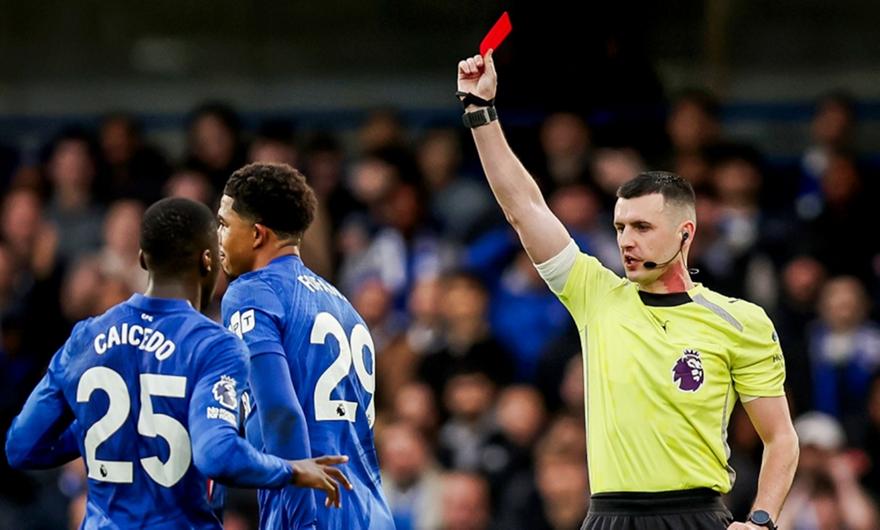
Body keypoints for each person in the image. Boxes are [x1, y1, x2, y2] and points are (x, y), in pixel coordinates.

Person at [456, 51, 799, 530]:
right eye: (620, 227)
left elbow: (780, 438)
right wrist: (481, 113)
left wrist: (761, 519)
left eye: (641, 227)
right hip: (609, 517)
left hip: (697, 516)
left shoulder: (741, 321)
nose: (626, 241)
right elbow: (524, 207)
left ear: (684, 233)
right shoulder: (595, 295)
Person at [5, 197, 351, 529]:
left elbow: (22, 446)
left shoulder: (85, 338)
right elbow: (217, 454)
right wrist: (291, 470)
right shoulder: (214, 346)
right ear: (208, 260)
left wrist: (108, 429)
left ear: (142, 259)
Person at [217, 163, 394, 529]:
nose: (217, 236)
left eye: (224, 224)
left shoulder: (251, 292)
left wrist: (300, 520)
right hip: (370, 511)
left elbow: (281, 412)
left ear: (257, 235)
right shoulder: (345, 306)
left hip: (312, 510)